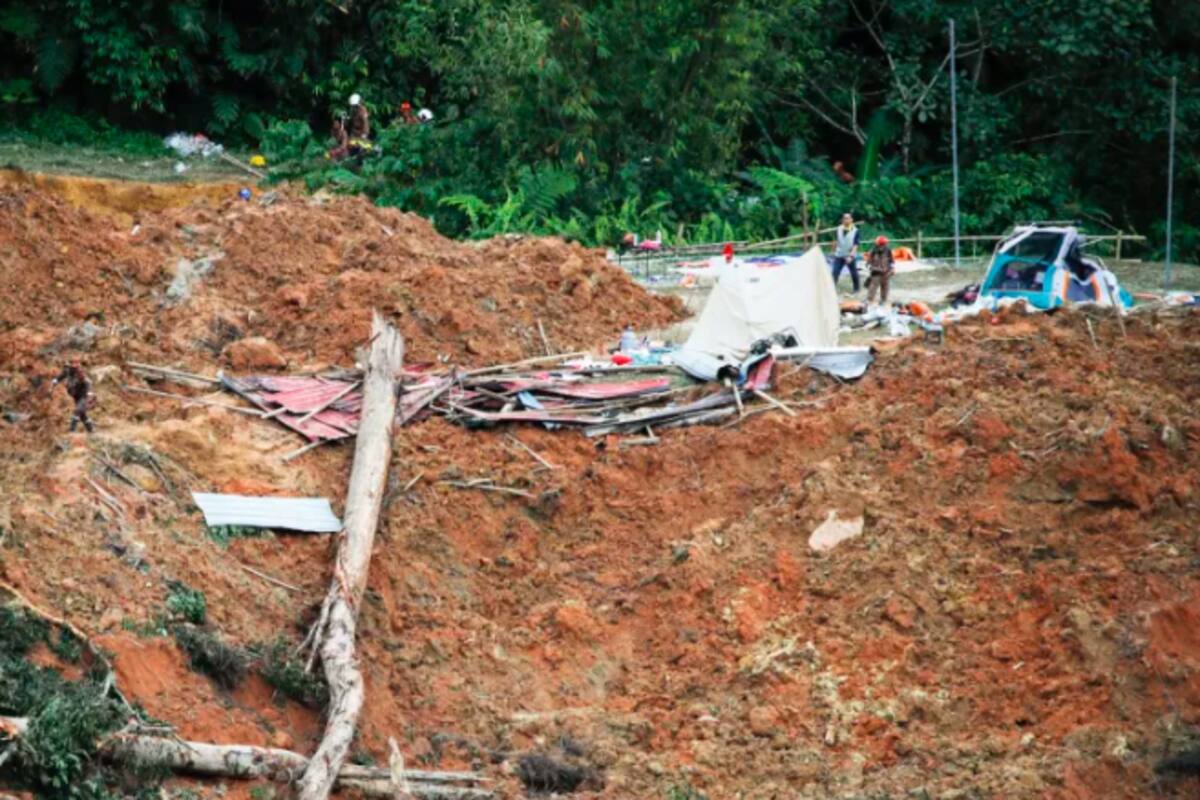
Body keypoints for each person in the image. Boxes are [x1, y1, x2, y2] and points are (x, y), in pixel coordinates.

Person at [51, 358, 95, 433]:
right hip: (76, 396)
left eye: (76, 364)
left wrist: (89, 392)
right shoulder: (67, 371)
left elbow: (88, 382)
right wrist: (55, 381)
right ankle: (91, 431)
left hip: (84, 396)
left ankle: (72, 431)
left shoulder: (80, 372)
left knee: (77, 411)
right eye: (72, 364)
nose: (74, 366)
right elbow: (60, 376)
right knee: (82, 415)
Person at [831, 213, 861, 293]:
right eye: (844, 218)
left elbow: (856, 244)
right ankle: (832, 289)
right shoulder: (839, 229)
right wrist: (833, 252)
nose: (846, 220)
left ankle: (856, 289)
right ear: (842, 220)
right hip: (839, 254)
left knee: (854, 272)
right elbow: (835, 241)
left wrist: (851, 256)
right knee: (835, 272)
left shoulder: (855, 230)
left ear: (851, 220)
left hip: (849, 255)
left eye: (848, 218)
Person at [865, 235, 895, 305]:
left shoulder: (888, 250)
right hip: (876, 272)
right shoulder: (873, 251)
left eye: (883, 244)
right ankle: (869, 300)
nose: (882, 246)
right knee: (872, 287)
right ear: (878, 244)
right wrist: (871, 267)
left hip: (886, 272)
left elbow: (892, 260)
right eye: (881, 244)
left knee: (885, 286)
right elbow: (868, 262)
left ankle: (883, 300)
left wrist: (893, 268)